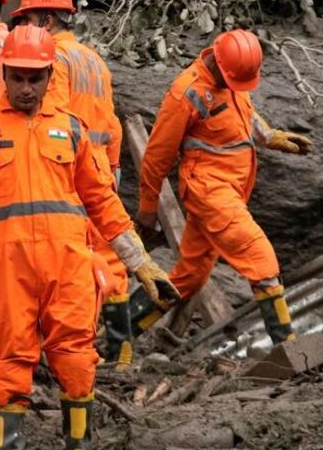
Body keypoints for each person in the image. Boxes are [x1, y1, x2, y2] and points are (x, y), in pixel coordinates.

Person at [0, 27, 176, 450]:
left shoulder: (72, 129)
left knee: (76, 358)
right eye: (17, 78)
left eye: (35, 79)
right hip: (6, 271)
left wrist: (139, 263)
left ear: (48, 77)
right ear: (3, 74)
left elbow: (102, 202)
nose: (26, 89)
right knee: (7, 363)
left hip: (67, 267)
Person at [132, 30, 313, 353]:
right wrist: (147, 209)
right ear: (217, 60)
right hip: (209, 191)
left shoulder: (233, 76)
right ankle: (289, 350)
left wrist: (272, 137)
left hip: (230, 188)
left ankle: (115, 331)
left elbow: (244, 114)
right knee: (261, 258)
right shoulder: (186, 93)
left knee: (189, 276)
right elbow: (157, 157)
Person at [10, 0, 134, 361]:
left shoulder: (55, 60)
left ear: (47, 19)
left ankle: (76, 349)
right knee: (112, 260)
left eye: (30, 20)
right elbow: (112, 123)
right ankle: (121, 351)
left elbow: (55, 117)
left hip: (71, 170)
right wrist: (112, 168)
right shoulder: (93, 60)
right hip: (99, 168)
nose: (25, 29)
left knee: (73, 261)